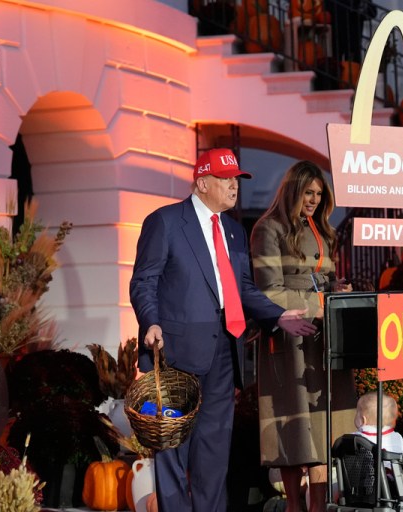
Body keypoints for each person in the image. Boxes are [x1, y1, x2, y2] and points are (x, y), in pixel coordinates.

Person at [129, 148, 317, 512]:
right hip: (175, 351)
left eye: (236, 179)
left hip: (224, 352)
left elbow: (243, 288)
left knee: (214, 452)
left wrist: (277, 316)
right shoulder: (165, 222)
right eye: (225, 179)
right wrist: (150, 320)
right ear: (202, 182)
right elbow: (144, 281)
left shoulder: (232, 230)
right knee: (173, 450)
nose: (234, 186)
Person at [251, 160, 356, 512]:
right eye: (308, 192)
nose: (313, 200)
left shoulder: (324, 230)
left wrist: (336, 289)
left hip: (323, 337)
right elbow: (268, 291)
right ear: (293, 189)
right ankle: (294, 506)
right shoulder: (268, 229)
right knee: (293, 424)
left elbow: (322, 280)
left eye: (318, 194)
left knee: (325, 424)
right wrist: (319, 302)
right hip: (289, 336)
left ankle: (319, 505)